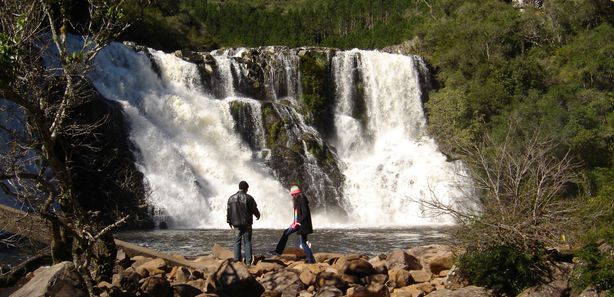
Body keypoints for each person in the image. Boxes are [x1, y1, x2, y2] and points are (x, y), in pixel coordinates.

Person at [271, 185, 316, 263]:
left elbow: (305, 213)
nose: (292, 195)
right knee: (302, 242)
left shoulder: (302, 199)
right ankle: (311, 260)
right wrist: (294, 222)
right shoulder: (297, 200)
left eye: (294, 194)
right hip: (298, 223)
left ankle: (278, 251)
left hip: (302, 224)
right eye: (292, 194)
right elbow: (296, 213)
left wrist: (298, 222)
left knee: (287, 234)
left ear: (297, 193)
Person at [227, 180, 260, 264]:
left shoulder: (231, 198)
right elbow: (254, 209)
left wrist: (229, 221)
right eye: (247, 189)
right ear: (246, 188)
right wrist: (258, 215)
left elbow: (228, 211)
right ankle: (248, 262)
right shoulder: (249, 197)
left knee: (237, 241)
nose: (247, 190)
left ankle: (237, 261)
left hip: (236, 224)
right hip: (247, 224)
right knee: (247, 242)